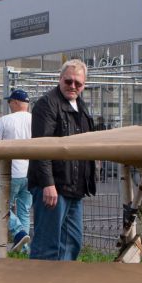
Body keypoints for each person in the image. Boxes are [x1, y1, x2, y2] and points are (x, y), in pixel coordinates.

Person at [27, 60, 96, 260]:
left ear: (84, 84)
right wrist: (48, 184)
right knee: (47, 246)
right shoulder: (47, 104)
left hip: (74, 186)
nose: (73, 86)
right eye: (68, 81)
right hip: (54, 185)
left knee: (72, 243)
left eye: (78, 83)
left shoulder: (80, 106)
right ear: (60, 79)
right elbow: (42, 145)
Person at [0, 88, 33, 253]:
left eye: (9, 102)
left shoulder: (5, 120)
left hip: (10, 173)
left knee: (3, 207)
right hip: (30, 173)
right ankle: (25, 249)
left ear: (15, 102)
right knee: (24, 210)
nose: (8, 105)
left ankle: (18, 232)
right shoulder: (36, 120)